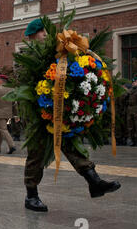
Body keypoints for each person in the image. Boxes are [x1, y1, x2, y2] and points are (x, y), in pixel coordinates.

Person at [22, 18, 120, 212]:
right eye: (41, 33)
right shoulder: (29, 57)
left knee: (71, 146)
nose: (45, 35)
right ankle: (31, 196)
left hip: (61, 114)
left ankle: (95, 182)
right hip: (39, 115)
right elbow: (25, 86)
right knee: (36, 156)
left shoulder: (55, 52)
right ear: (32, 36)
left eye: (45, 32)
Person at [0, 74, 16, 154]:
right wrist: (15, 114)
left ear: (1, 80)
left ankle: (12, 145)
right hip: (8, 113)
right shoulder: (12, 89)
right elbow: (14, 103)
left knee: (3, 129)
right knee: (0, 129)